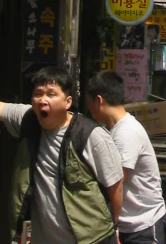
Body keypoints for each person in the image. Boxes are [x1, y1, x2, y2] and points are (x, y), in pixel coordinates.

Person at [0, 66, 123, 244]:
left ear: (68, 102)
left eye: (51, 94)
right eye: (38, 93)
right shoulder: (29, 120)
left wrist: (114, 226)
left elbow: (116, 185)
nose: (43, 100)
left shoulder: (90, 135)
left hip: (91, 239)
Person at [86, 71, 166, 243]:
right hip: (130, 224)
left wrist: (112, 225)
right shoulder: (113, 129)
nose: (89, 110)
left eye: (89, 103)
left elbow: (116, 183)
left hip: (142, 226)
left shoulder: (126, 133)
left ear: (99, 101)